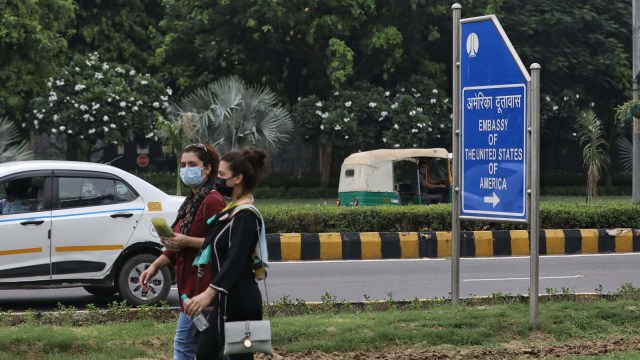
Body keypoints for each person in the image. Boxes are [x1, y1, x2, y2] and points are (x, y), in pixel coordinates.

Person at [139, 143, 226, 360]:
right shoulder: (191, 202)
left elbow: (222, 241)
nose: (186, 169)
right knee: (211, 345)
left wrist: (186, 240)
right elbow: (176, 244)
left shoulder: (213, 201)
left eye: (192, 164)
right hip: (189, 286)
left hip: (203, 288)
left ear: (206, 169)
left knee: (184, 345)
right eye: (183, 164)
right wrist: (155, 266)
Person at [184, 147, 269, 360]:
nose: (217, 179)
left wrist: (209, 293)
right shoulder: (230, 213)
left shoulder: (246, 216)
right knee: (205, 354)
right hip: (225, 300)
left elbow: (236, 260)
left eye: (222, 175)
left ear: (238, 178)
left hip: (239, 302)